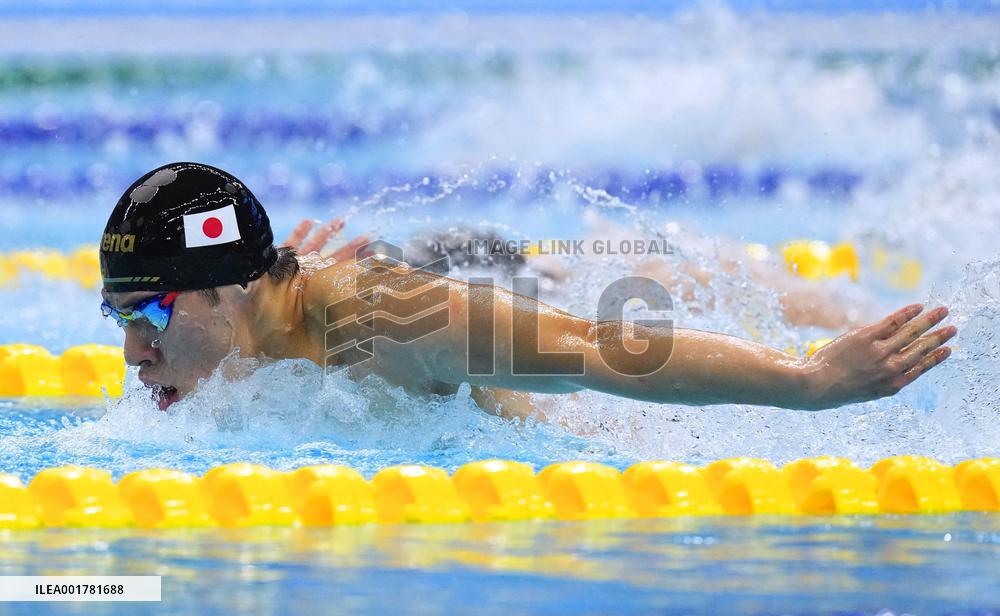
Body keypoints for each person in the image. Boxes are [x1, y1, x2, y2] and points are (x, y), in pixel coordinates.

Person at [100, 162, 956, 414]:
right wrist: (257, 291)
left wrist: (808, 383)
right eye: (122, 318)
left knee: (663, 284)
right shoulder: (231, 315)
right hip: (418, 269)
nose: (135, 352)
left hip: (487, 285)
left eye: (148, 316)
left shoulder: (385, 319)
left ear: (229, 290)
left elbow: (600, 351)